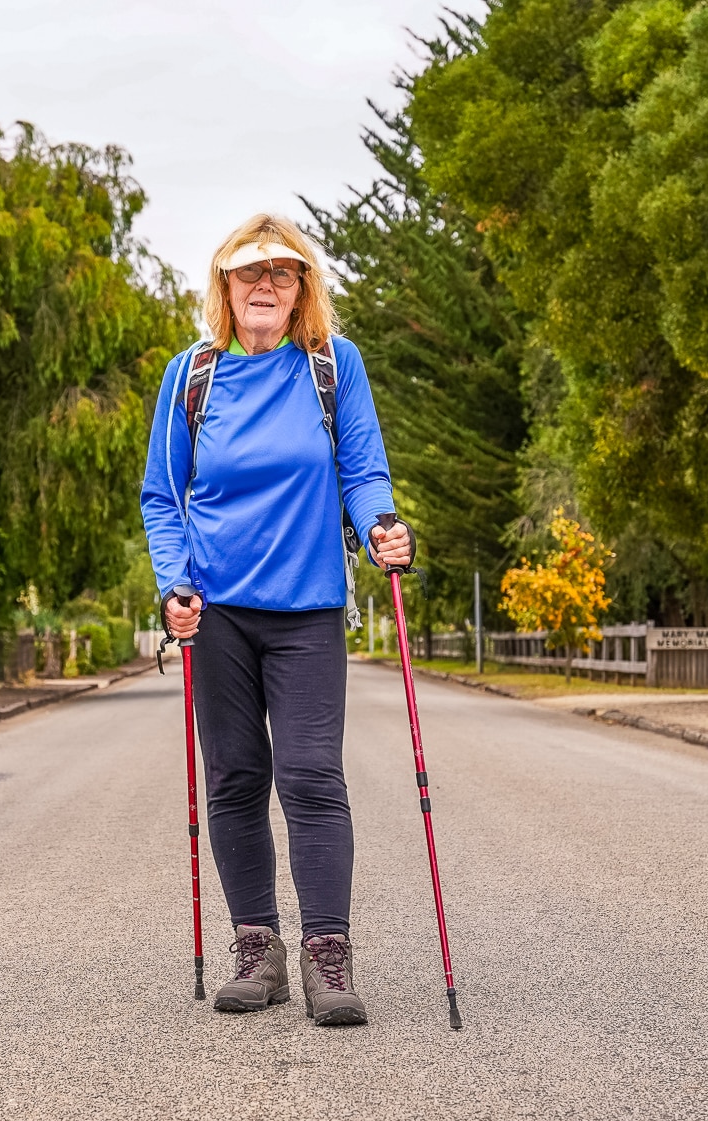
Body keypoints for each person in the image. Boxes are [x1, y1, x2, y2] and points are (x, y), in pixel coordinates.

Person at [140, 214, 412, 1026]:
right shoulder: (192, 376)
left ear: (302, 290)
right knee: (234, 779)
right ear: (225, 286)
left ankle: (328, 953)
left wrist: (381, 525)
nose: (266, 285)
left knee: (309, 777)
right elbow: (164, 495)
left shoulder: (333, 367)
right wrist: (175, 585)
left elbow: (361, 468)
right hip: (217, 613)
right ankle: (256, 950)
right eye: (250, 272)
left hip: (306, 608)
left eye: (283, 274)